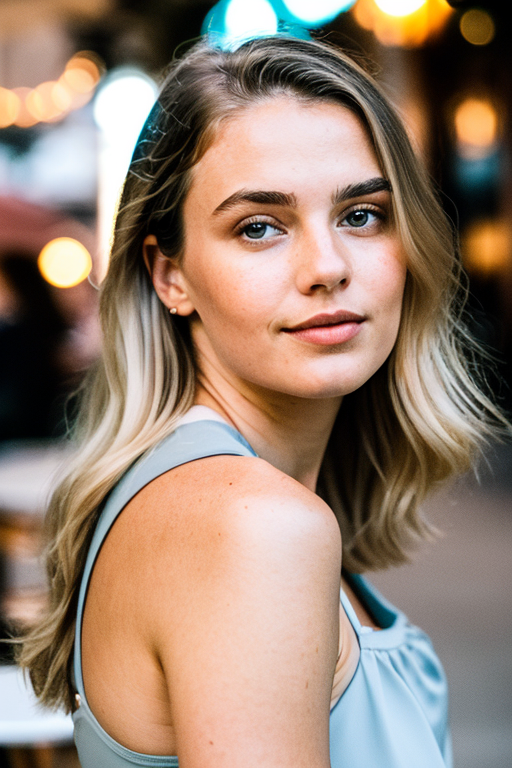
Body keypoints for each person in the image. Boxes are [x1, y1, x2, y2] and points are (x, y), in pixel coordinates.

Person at [18, 36, 508, 768]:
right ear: (169, 274)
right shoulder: (254, 528)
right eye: (259, 227)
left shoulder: (215, 496)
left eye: (363, 214)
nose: (327, 267)